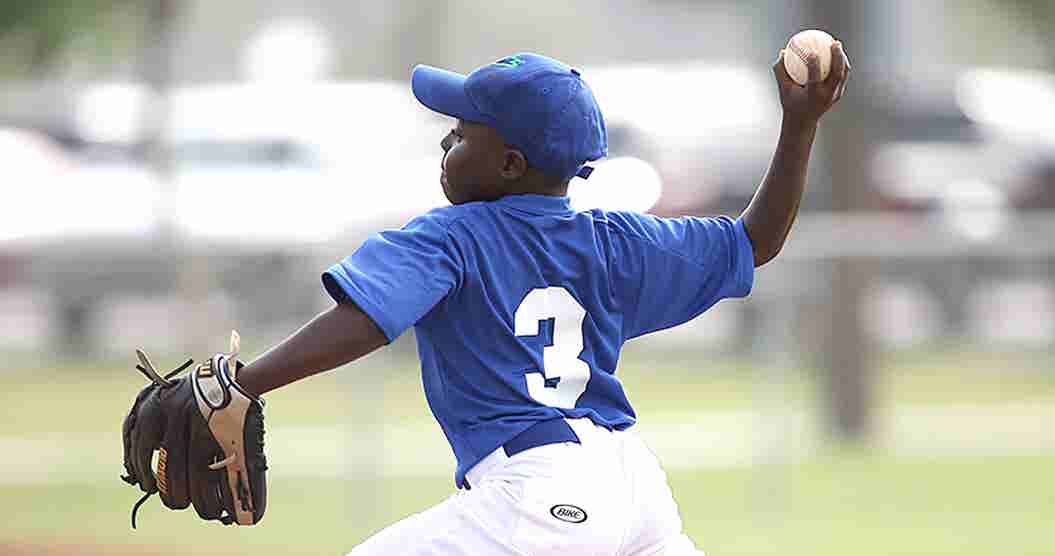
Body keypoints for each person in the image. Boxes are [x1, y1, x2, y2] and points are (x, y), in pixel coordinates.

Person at [235, 47, 850, 555]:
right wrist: (801, 125)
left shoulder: (454, 235)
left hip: (541, 495)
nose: (445, 146)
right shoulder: (615, 241)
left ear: (508, 163)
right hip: (635, 488)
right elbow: (756, 240)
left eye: (460, 135)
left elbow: (364, 319)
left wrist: (245, 382)